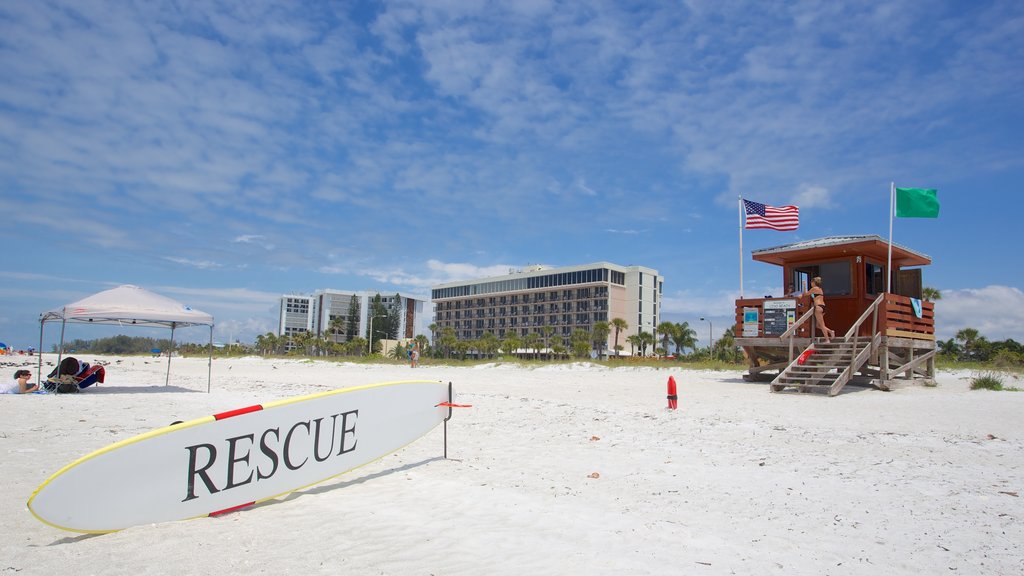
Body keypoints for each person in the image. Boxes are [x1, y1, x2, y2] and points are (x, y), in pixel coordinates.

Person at [805, 276, 836, 342]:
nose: (811, 283)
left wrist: (804, 285)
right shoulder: (819, 289)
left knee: (822, 325)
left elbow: (805, 294)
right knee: (818, 325)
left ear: (813, 282)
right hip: (823, 306)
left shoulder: (814, 288)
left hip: (818, 307)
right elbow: (813, 296)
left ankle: (827, 340)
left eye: (811, 282)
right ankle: (830, 331)